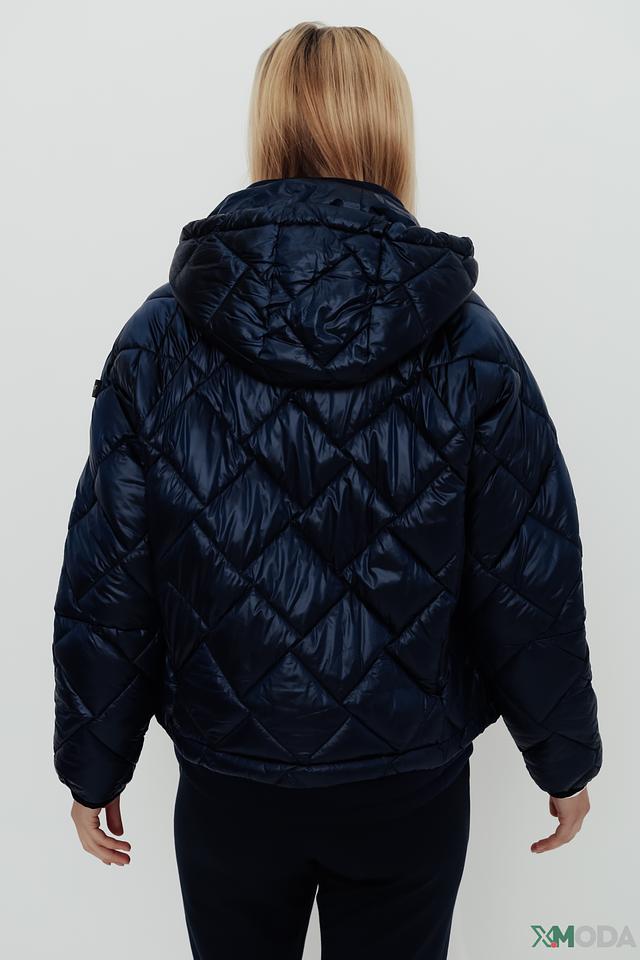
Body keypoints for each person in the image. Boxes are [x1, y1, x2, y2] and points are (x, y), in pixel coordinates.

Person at [52, 20, 603, 960]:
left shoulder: (158, 341)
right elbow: (526, 576)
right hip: (407, 784)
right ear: (390, 131)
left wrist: (94, 762)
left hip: (231, 781)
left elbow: (112, 574)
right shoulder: (470, 345)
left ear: (267, 130)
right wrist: (563, 756)